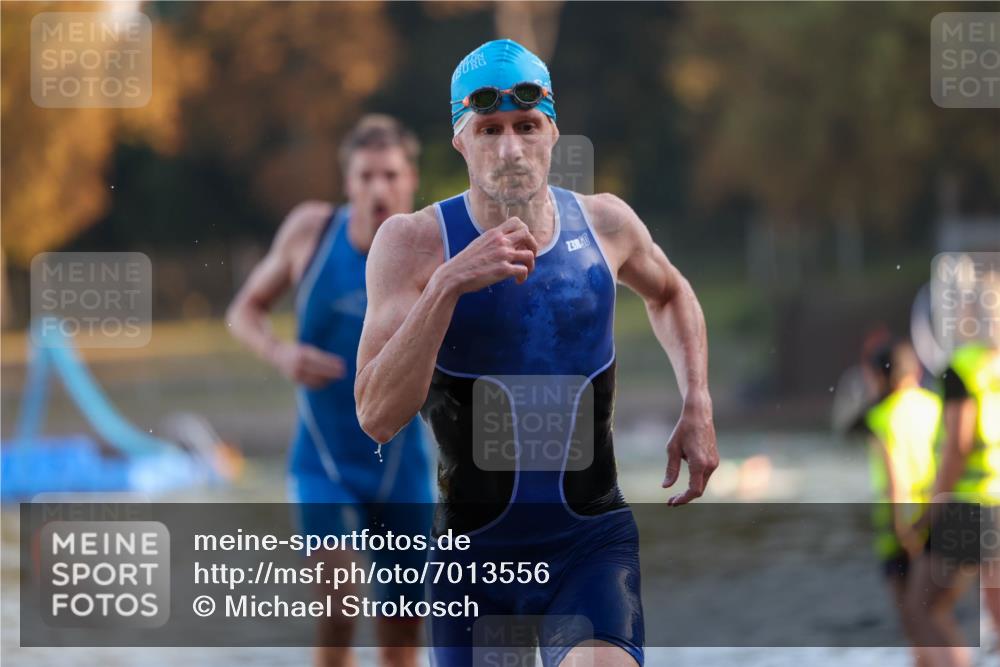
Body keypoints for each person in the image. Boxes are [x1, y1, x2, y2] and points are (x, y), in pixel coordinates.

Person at [355, 39, 718, 667]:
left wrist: (697, 401)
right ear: (460, 140)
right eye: (489, 129)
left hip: (588, 545)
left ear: (552, 131)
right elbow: (376, 415)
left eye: (526, 126)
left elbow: (671, 294)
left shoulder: (606, 224)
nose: (510, 149)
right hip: (472, 563)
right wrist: (447, 284)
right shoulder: (412, 244)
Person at [227, 114, 434, 667]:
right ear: (348, 183)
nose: (378, 189)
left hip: (403, 469)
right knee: (339, 605)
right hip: (323, 461)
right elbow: (244, 311)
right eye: (365, 176)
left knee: (402, 637)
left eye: (390, 175)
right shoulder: (311, 233)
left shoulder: (431, 246)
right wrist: (281, 354)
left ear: (411, 180)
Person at [904, 328, 1000, 667]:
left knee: (921, 607)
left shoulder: (962, 366)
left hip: (970, 507)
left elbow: (958, 444)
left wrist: (932, 509)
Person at [856, 336, 939, 665]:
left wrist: (903, 532)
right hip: (939, 516)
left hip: (902, 526)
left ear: (880, 376)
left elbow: (895, 481)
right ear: (914, 370)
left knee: (915, 622)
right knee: (937, 615)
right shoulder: (935, 405)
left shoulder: (882, 416)